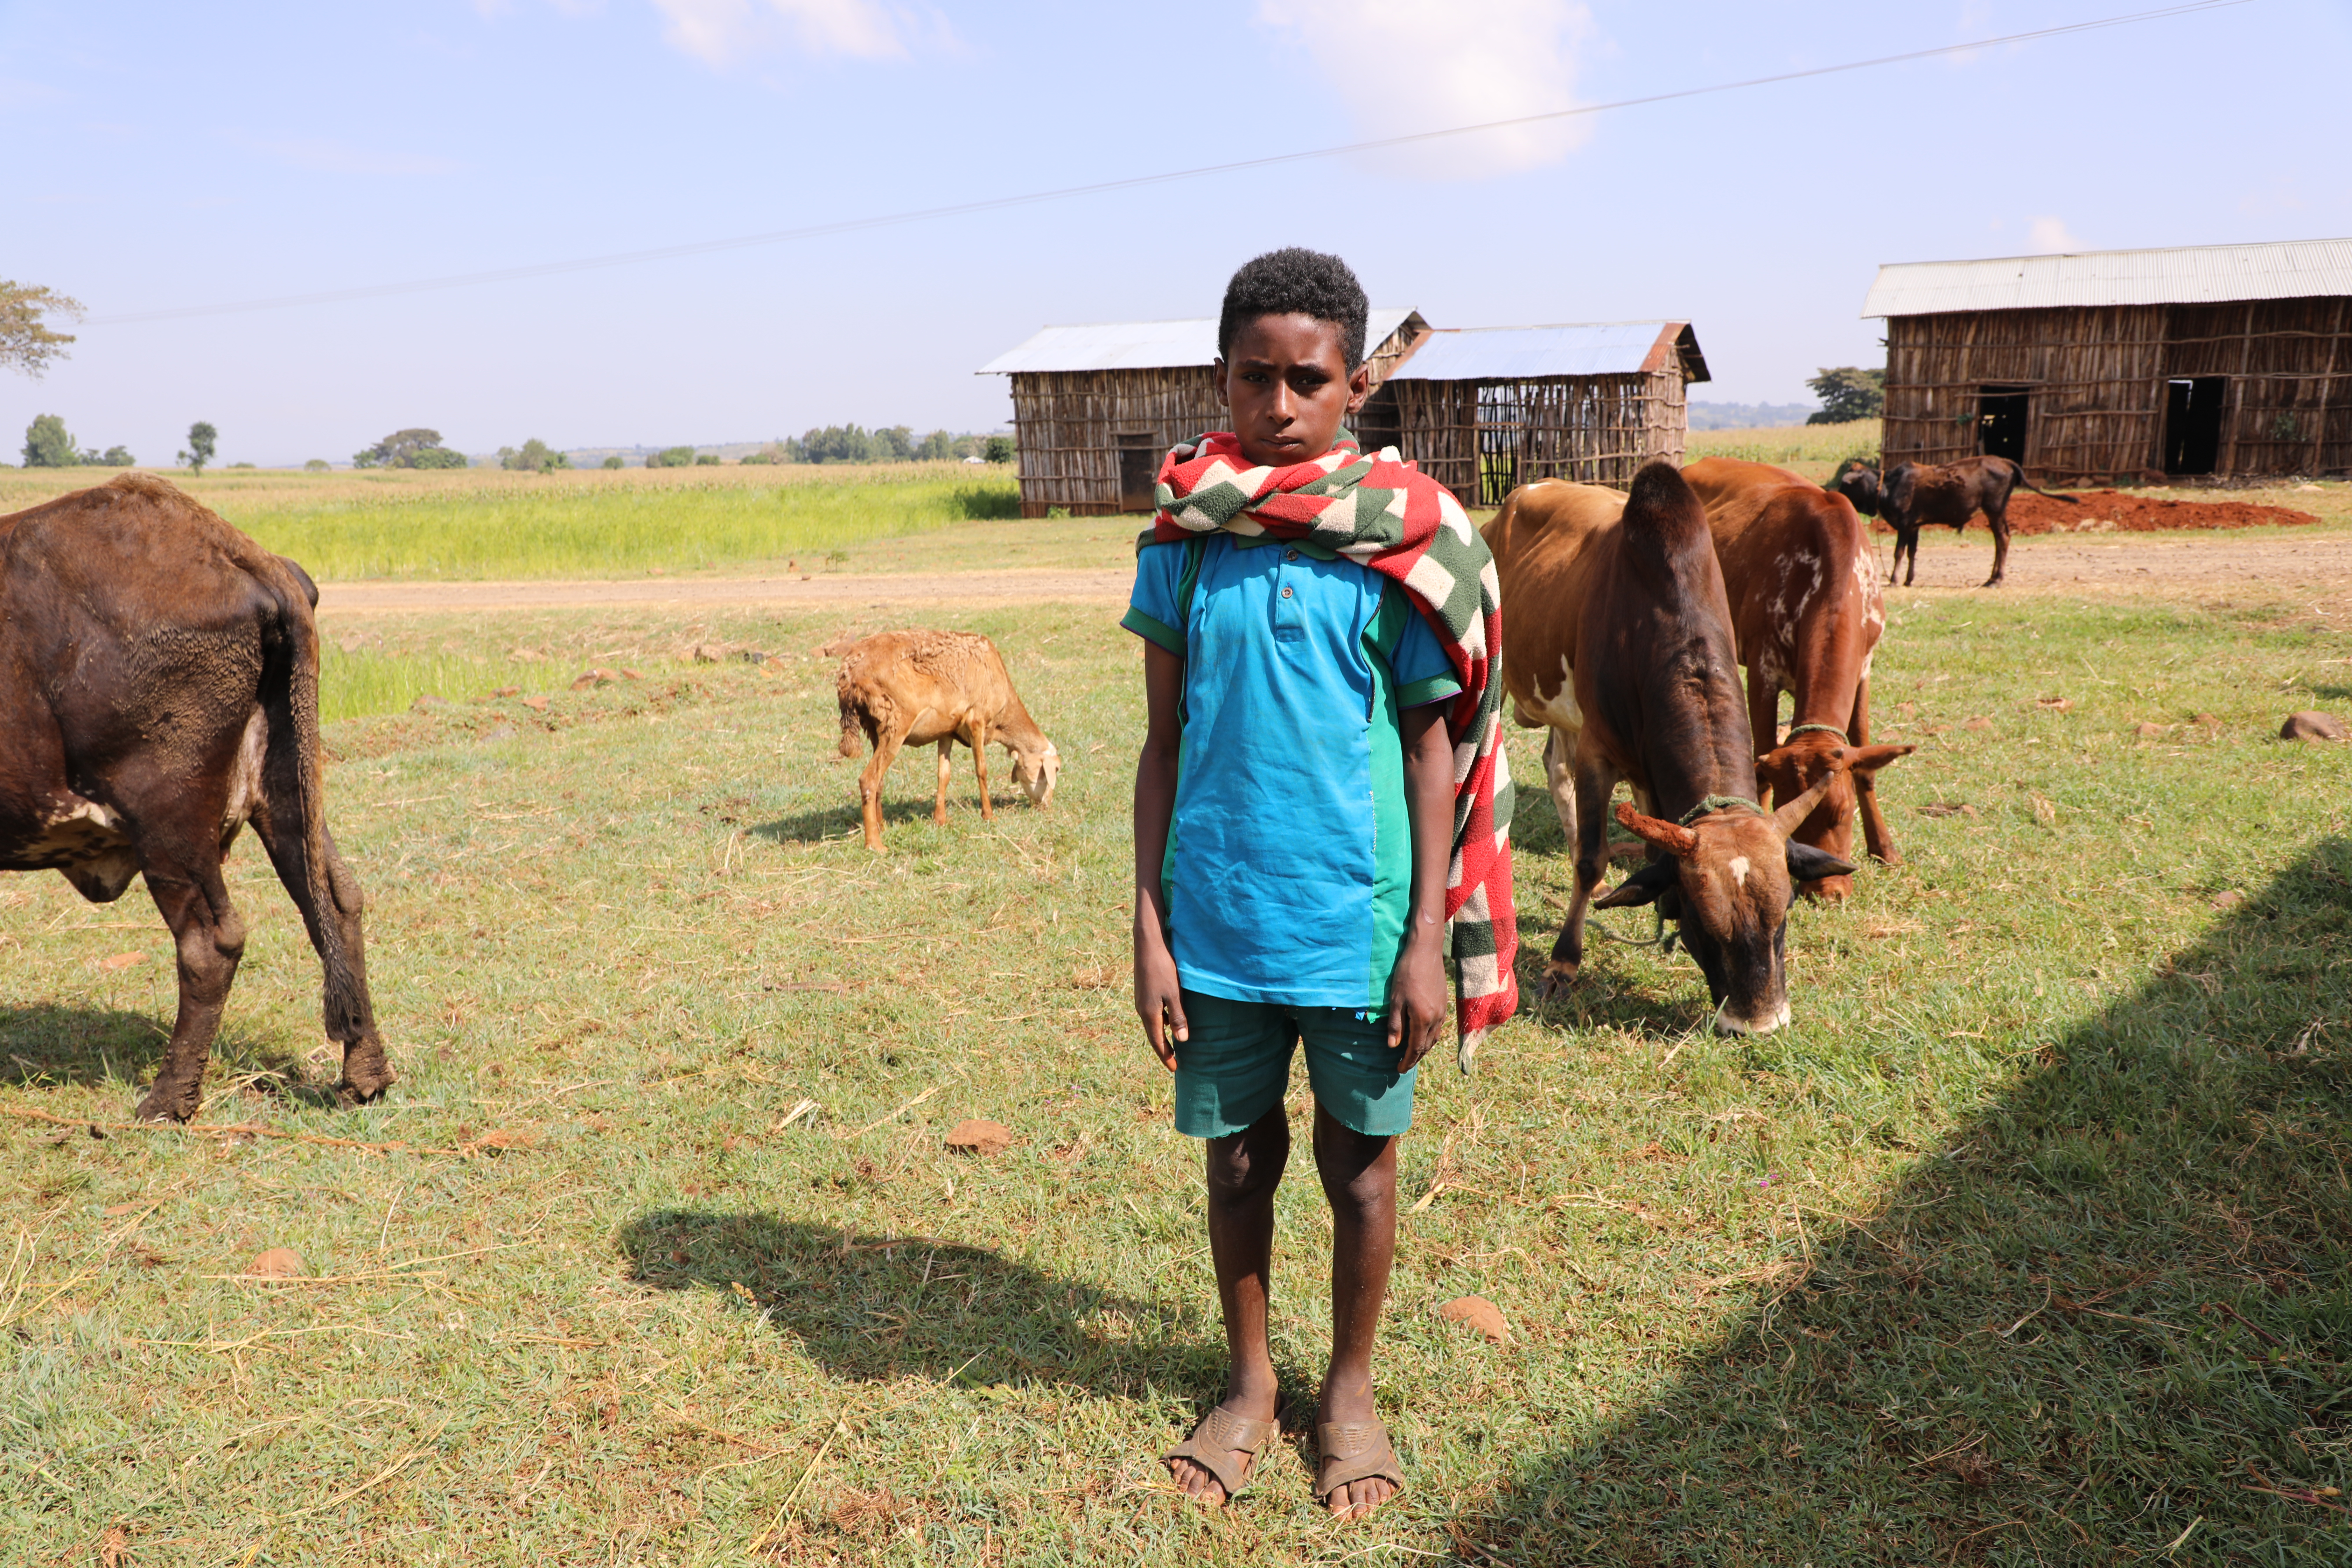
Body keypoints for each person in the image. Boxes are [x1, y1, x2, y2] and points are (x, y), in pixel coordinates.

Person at [1125, 248, 1517, 1519]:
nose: (1281, 405)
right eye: (1258, 376)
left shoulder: (1398, 545)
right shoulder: (1185, 544)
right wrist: (1148, 928)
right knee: (1237, 1164)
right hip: (1220, 917)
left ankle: (1347, 1394)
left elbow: (1427, 749)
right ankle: (1248, 1385)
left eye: (1310, 379)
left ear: (1356, 387)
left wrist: (1421, 941)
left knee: (1360, 1171)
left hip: (1357, 926)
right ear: (1222, 377)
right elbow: (1162, 745)